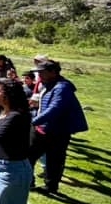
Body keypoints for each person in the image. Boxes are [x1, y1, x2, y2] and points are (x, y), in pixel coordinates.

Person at [28, 60, 88, 195]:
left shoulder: (62, 88)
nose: (39, 75)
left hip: (57, 132)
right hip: (40, 130)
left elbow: (55, 109)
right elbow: (45, 104)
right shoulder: (48, 84)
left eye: (42, 72)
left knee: (54, 160)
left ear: (53, 72)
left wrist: (33, 121)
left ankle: (50, 187)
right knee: (28, 156)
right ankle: (28, 182)